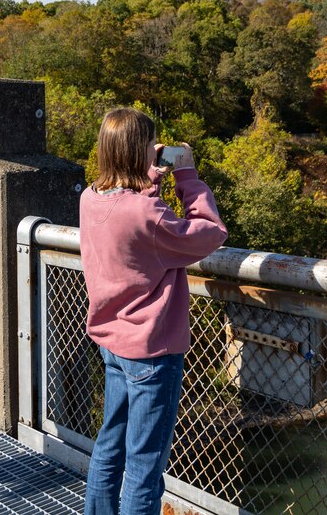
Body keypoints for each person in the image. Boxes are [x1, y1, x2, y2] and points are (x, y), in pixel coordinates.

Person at [80, 108, 227, 515]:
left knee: (109, 447)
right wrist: (187, 176)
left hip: (112, 344)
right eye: (150, 144)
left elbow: (132, 226)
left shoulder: (90, 198)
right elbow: (208, 234)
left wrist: (148, 183)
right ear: (138, 150)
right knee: (144, 469)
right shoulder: (145, 213)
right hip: (151, 353)